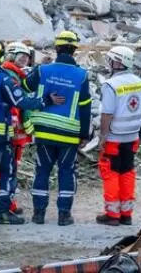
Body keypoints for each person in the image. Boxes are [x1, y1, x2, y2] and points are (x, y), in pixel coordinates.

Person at [0, 41, 57, 225]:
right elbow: (20, 101)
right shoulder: (3, 79)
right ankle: (3, 212)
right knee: (7, 172)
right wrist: (45, 101)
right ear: (0, 57)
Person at [22, 31, 91, 226]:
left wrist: (42, 100)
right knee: (67, 172)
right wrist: (84, 134)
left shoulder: (42, 70)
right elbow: (85, 107)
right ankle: (63, 215)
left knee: (42, 171)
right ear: (74, 50)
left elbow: (24, 88)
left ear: (57, 48)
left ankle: (38, 214)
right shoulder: (82, 75)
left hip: (44, 132)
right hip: (69, 135)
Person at [96, 47, 141, 226]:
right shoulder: (138, 82)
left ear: (117, 62)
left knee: (111, 173)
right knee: (127, 172)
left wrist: (102, 137)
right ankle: (126, 214)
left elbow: (107, 114)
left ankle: (112, 215)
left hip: (114, 138)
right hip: (132, 137)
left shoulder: (111, 85)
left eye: (111, 60)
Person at [0, 42, 34, 216]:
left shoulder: (10, 74)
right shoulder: (11, 76)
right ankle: (8, 204)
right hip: (12, 131)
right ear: (10, 56)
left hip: (5, 129)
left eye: (27, 56)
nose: (25, 59)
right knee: (10, 168)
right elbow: (16, 105)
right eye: (21, 55)